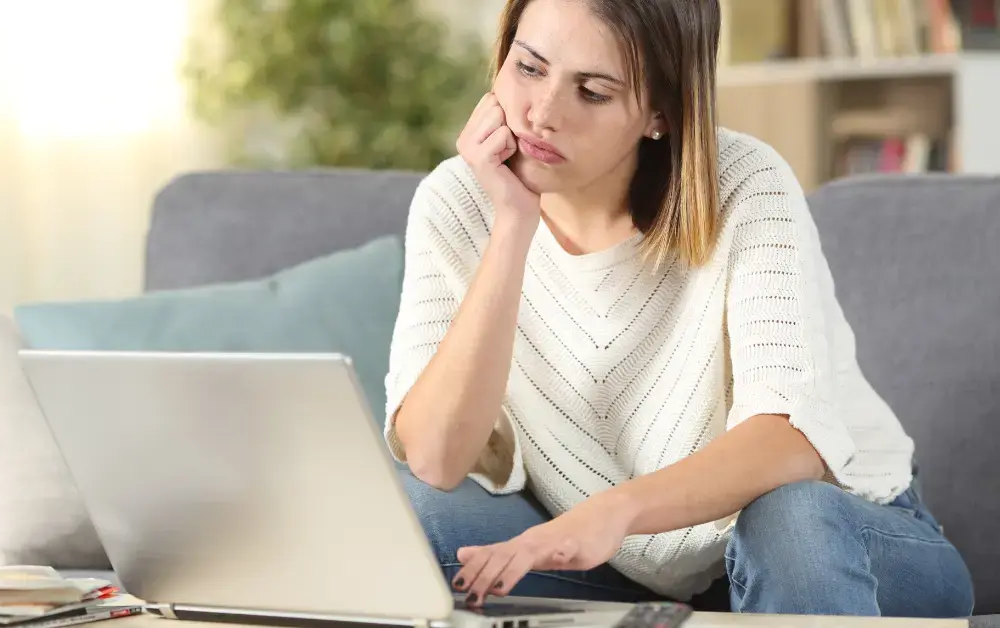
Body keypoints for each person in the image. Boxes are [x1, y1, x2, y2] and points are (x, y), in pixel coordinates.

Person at [381, 0, 974, 619]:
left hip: (831, 539)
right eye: (529, 68)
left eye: (593, 91)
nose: (542, 114)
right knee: (421, 508)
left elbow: (792, 441)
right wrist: (512, 224)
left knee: (791, 517)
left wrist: (612, 513)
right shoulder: (455, 201)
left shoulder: (745, 182)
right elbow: (437, 458)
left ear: (660, 113)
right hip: (613, 567)